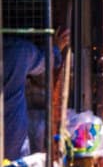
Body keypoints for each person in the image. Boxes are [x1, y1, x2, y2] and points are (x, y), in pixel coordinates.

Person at [3, 29, 70, 160]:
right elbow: (45, 62)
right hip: (12, 142)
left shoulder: (19, 51)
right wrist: (56, 48)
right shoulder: (19, 50)